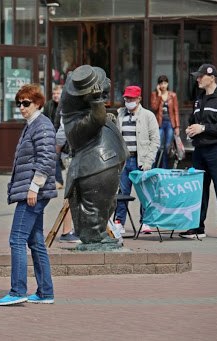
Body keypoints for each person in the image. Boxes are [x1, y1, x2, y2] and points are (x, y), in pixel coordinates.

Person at [0, 84, 57, 306]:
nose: (21, 107)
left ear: (38, 103)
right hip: (32, 191)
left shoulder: (42, 125)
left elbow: (47, 158)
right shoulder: (32, 125)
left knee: (17, 238)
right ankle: (45, 292)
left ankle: (18, 290)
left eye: (26, 103)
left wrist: (34, 187)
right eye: (19, 103)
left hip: (33, 193)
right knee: (36, 240)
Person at [61, 65, 128, 246]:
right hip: (95, 168)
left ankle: (98, 235)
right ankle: (93, 237)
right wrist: (97, 100)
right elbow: (97, 119)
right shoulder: (77, 123)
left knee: (107, 204)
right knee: (94, 206)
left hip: (104, 165)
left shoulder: (81, 113)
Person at [180, 64, 217, 240]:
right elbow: (194, 120)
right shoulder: (199, 99)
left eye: (200, 76)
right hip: (199, 150)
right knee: (198, 191)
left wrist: (203, 128)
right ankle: (197, 227)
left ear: (212, 77)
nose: (197, 79)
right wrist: (191, 129)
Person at [115, 85, 160, 234]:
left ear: (139, 99)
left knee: (144, 194)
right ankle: (119, 221)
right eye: (127, 98)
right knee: (122, 193)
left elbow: (155, 140)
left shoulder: (148, 115)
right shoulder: (120, 114)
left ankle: (146, 221)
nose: (129, 101)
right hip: (124, 160)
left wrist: (148, 161)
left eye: (132, 98)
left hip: (141, 161)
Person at [55, 115, 80, 243]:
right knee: (72, 194)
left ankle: (78, 230)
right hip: (73, 156)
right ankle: (66, 231)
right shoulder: (72, 108)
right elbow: (60, 135)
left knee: (77, 193)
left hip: (80, 156)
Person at [150, 75, 180, 169]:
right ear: (158, 85)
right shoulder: (154, 94)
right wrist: (159, 95)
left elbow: (176, 111)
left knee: (167, 147)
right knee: (158, 147)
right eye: (161, 83)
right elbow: (154, 108)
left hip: (170, 123)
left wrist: (177, 126)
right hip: (159, 123)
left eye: (165, 83)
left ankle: (165, 168)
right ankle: (155, 167)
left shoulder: (172, 95)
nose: (163, 85)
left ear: (167, 84)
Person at [43, 85, 64, 189]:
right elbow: (44, 119)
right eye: (54, 93)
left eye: (58, 93)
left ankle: (59, 181)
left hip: (63, 135)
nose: (55, 96)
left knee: (56, 158)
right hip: (51, 134)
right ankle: (57, 181)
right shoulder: (48, 105)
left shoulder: (65, 105)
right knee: (54, 157)